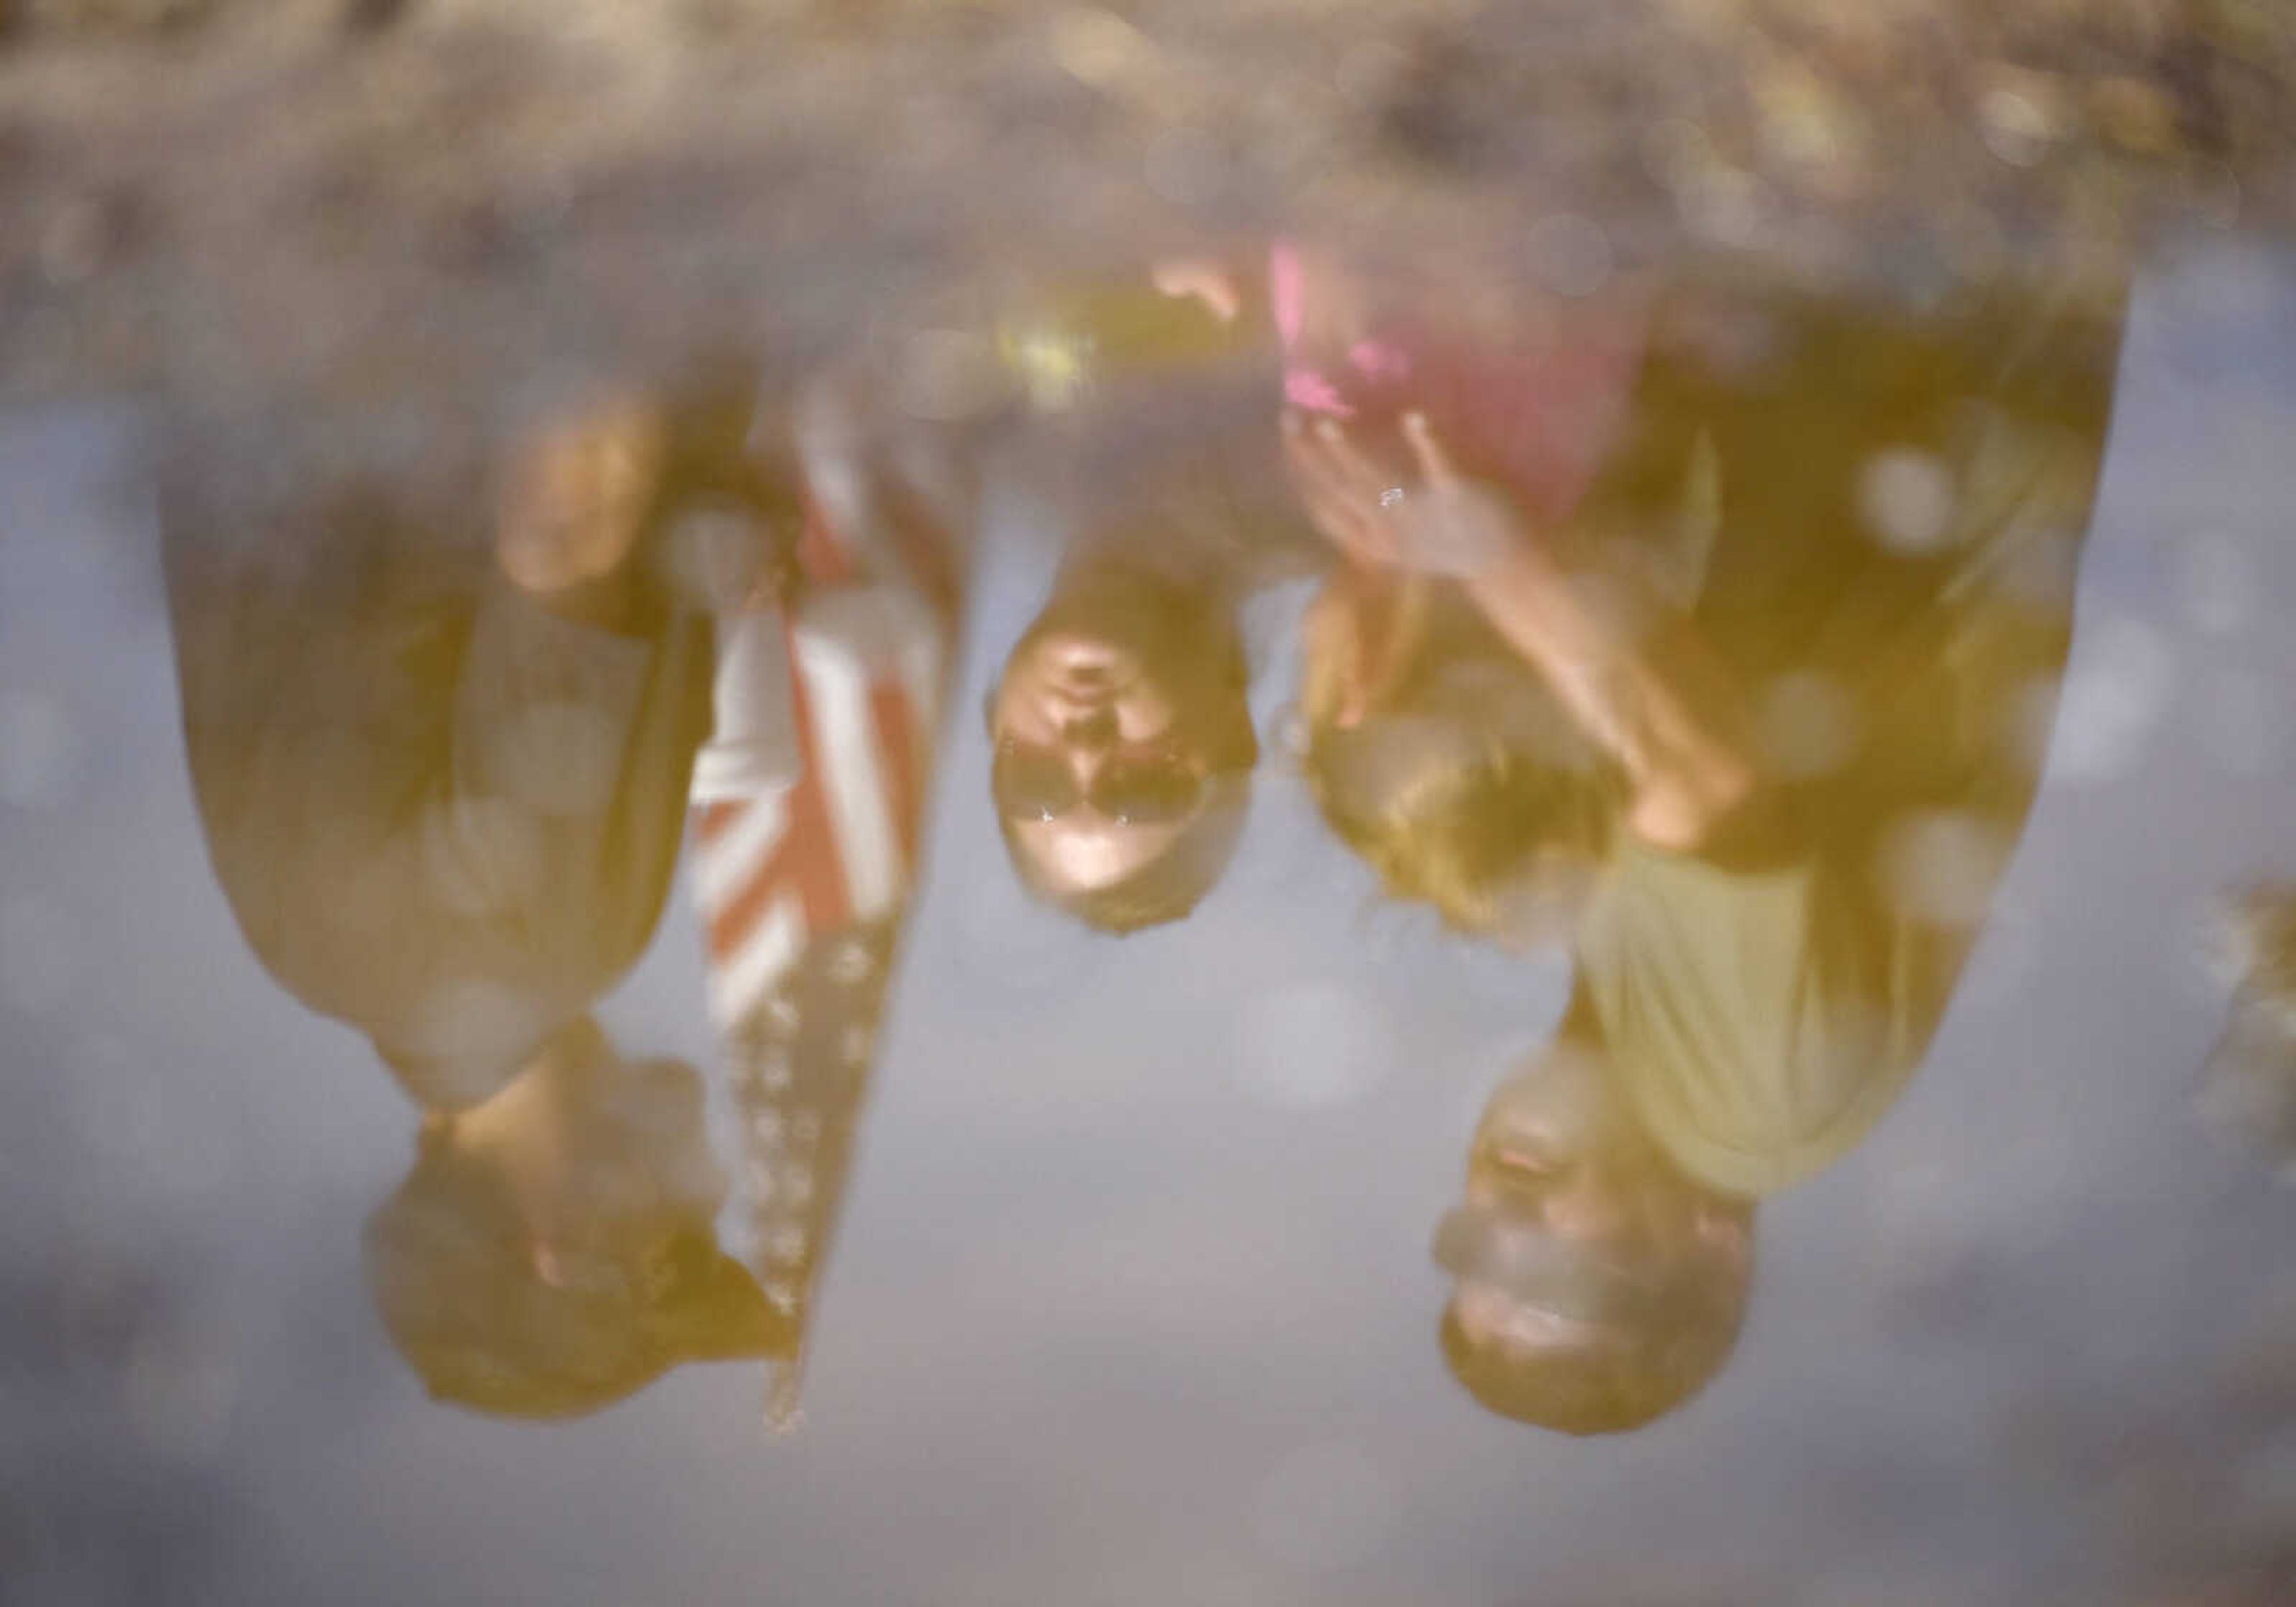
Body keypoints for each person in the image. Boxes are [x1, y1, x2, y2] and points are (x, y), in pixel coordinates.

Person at [1286, 273, 2126, 1428]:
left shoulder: (1641, 1047)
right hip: (1951, 333)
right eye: (1556, 1270)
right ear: (1710, 1250)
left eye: (1474, 1245)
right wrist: (1459, 534)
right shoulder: (1745, 1112)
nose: (1510, 1220)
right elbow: (1695, 768)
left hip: (1870, 372)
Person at [166, 378, 793, 1416]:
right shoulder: (302, 955)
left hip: (444, 313)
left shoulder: (551, 951)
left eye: (683, 1243)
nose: (712, 1190)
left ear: (564, 1246)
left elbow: (563, 513)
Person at [985, 286, 1312, 933]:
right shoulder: (1325, 491)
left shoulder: (973, 453)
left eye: (1035, 782)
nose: (1083, 750)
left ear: (996, 723)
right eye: (1141, 791)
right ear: (1234, 732)